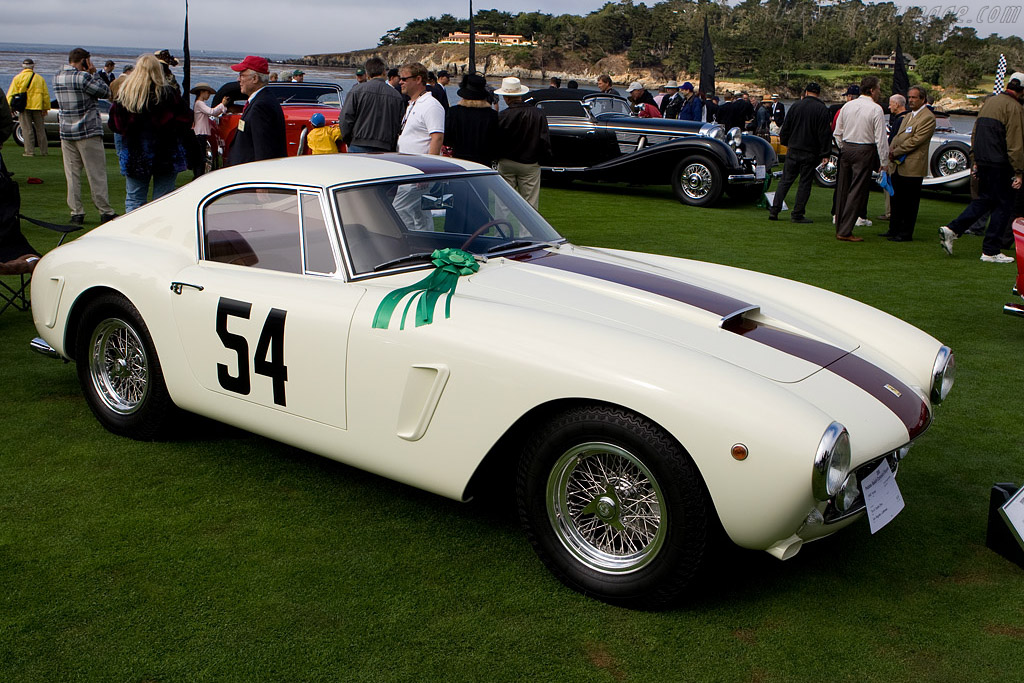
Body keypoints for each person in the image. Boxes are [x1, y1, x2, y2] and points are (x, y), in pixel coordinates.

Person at [939, 76, 1024, 263]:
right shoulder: (1015, 108)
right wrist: (1019, 171)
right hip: (1001, 163)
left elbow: (976, 132)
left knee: (985, 200)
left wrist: (974, 158)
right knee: (1003, 206)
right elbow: (1015, 142)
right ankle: (991, 250)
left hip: (984, 161)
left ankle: (953, 229)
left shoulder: (989, 102)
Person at [108, 54, 191, 213]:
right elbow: (185, 120)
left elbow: (115, 125)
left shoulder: (126, 96)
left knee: (134, 198)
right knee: (163, 199)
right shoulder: (170, 94)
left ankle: (133, 233)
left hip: (136, 153)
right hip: (166, 153)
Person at [54, 47, 117, 224]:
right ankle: (104, 210)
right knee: (96, 173)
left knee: (72, 175)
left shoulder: (57, 77)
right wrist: (94, 73)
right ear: (84, 61)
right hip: (88, 131)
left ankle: (76, 212)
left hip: (66, 132)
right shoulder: (84, 77)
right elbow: (106, 92)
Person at [833, 75, 888, 242]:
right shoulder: (876, 109)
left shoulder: (848, 106)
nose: (879, 93)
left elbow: (837, 131)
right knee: (857, 190)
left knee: (843, 188)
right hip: (864, 149)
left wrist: (843, 146)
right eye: (878, 89)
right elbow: (881, 137)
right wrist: (884, 162)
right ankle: (845, 230)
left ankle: (840, 226)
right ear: (872, 90)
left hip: (846, 148)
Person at [768, 82, 832, 224]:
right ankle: (797, 213)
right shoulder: (822, 109)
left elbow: (786, 127)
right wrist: (825, 153)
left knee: (785, 181)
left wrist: (786, 143)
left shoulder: (796, 106)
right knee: (804, 183)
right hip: (810, 151)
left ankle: (774, 209)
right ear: (818, 94)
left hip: (794, 148)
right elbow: (824, 133)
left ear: (806, 92)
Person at [881, 86, 936, 242]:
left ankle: (905, 233)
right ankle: (893, 229)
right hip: (898, 165)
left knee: (909, 202)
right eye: (909, 97)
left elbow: (915, 141)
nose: (911, 100)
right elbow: (897, 137)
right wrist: (890, 152)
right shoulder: (908, 116)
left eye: (914, 97)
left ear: (923, 99)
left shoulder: (927, 117)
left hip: (912, 166)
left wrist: (895, 152)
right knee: (896, 200)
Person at [495, 76, 551, 209]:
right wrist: (542, 159)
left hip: (506, 161)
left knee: (502, 203)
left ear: (506, 97)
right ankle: (526, 231)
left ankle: (500, 230)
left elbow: (496, 140)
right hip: (530, 162)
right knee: (530, 204)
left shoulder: (502, 116)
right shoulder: (538, 114)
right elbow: (544, 140)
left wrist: (496, 157)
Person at [226, 55, 286, 166]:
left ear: (255, 78)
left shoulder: (261, 106)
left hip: (251, 175)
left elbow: (264, 152)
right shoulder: (260, 100)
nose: (238, 80)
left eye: (242, 75)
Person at [339, 56, 404, 153]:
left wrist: (348, 139)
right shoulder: (396, 96)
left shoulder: (356, 91)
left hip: (358, 144)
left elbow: (345, 118)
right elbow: (399, 124)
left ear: (367, 74)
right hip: (385, 146)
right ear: (384, 73)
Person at [444, 73, 498, 166]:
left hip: (459, 160)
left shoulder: (453, 112)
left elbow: (447, 139)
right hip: (483, 162)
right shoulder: (492, 115)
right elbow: (495, 142)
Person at [7, 58, 50, 157]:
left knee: (27, 130)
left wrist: (10, 107)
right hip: (38, 106)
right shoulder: (39, 78)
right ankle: (44, 151)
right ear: (33, 66)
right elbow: (45, 95)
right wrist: (46, 108)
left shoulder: (18, 78)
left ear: (23, 66)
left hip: (24, 106)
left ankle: (29, 151)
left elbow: (11, 93)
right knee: (41, 130)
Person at [877, 94, 907, 222]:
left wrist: (888, 158)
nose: (889, 107)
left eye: (891, 104)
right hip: (898, 157)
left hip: (895, 157)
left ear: (897, 104)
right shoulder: (906, 118)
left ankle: (890, 212)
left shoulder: (901, 120)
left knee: (889, 184)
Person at [190, 82, 228, 176]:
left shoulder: (199, 103)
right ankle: (198, 175)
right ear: (202, 92)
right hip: (200, 133)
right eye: (207, 93)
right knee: (201, 157)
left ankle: (199, 174)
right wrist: (222, 104)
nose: (208, 96)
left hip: (201, 133)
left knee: (201, 156)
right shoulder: (199, 103)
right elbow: (212, 112)